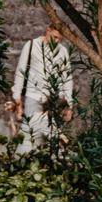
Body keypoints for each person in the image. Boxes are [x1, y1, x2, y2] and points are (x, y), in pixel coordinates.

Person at [10, 23, 74, 152]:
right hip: (33, 97)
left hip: (55, 100)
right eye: (55, 37)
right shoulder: (32, 45)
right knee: (29, 135)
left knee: (53, 137)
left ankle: (52, 166)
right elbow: (20, 71)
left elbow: (67, 79)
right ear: (48, 30)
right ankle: (25, 164)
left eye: (59, 39)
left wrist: (69, 104)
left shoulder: (63, 51)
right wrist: (17, 98)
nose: (56, 41)